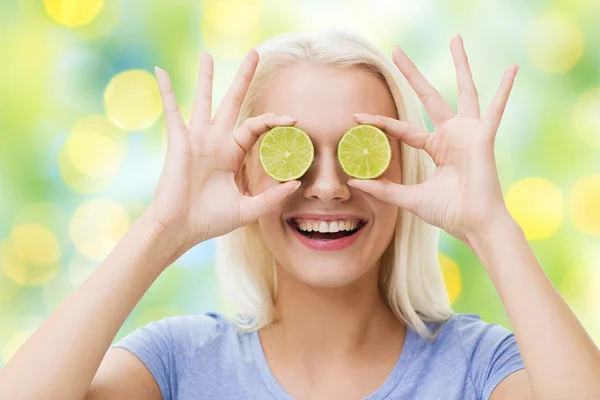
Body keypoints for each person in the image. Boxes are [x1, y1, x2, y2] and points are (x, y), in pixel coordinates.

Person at [0, 27, 598, 400]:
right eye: (294, 154)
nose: (330, 187)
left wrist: (490, 225)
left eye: (362, 152)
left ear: (407, 170)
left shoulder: (478, 366)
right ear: (242, 172)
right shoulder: (178, 363)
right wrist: (162, 230)